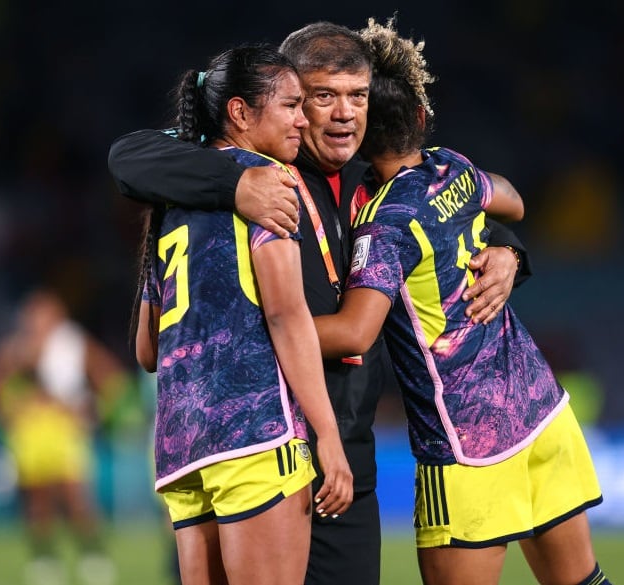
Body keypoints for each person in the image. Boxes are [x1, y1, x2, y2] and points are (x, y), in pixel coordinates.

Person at [108, 21, 532, 585]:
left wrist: (507, 251)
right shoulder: (264, 169)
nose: (342, 114)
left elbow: (451, 202)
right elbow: (127, 155)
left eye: (356, 96)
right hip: (273, 436)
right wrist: (235, 184)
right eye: (319, 97)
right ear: (287, 98)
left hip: (345, 451)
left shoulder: (374, 176)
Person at [309, 18, 612, 585]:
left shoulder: (384, 222)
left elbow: (354, 333)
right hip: (540, 409)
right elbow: (514, 201)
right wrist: (501, 248)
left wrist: (259, 326)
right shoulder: (452, 165)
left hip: (466, 441)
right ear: (422, 119)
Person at [130, 44, 353, 585]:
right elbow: (286, 317)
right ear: (240, 112)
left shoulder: (170, 197)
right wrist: (328, 434)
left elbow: (147, 350)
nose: (305, 120)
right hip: (253, 434)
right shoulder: (265, 182)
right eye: (291, 106)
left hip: (183, 444)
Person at [0, 288, 128, 585]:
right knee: (37, 500)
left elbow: (111, 377)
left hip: (64, 429)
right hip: (31, 430)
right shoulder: (18, 347)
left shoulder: (72, 344)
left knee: (76, 497)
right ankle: (44, 561)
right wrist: (7, 412)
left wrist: (94, 411)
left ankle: (92, 555)